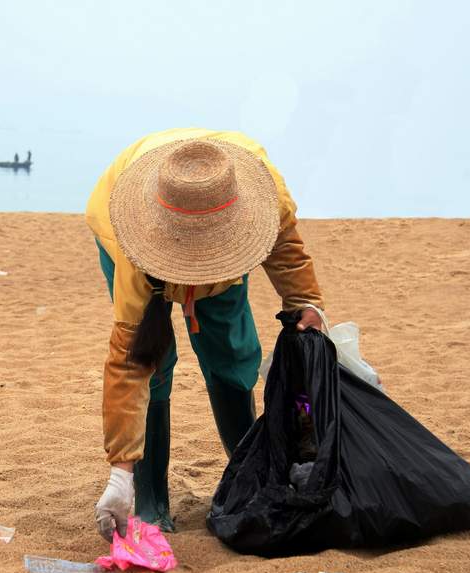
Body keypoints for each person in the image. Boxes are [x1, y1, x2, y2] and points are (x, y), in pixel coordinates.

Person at [86, 129, 326, 542]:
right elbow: (129, 363)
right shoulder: (131, 241)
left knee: (232, 352)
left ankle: (249, 471)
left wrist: (306, 302)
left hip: (225, 269)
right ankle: (150, 498)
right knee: (152, 363)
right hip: (137, 241)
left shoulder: (265, 192)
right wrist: (120, 472)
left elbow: (286, 248)